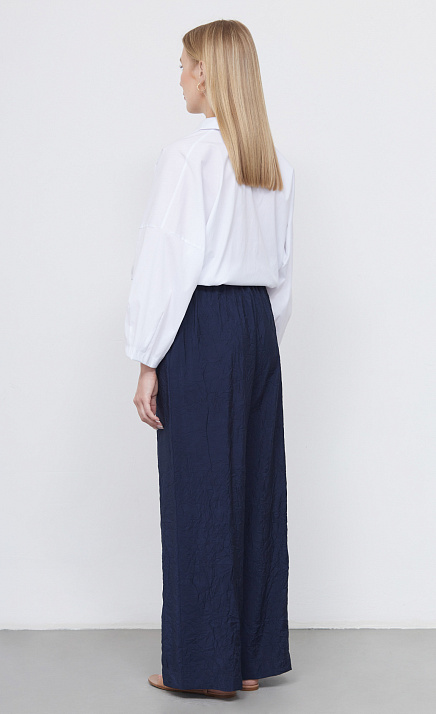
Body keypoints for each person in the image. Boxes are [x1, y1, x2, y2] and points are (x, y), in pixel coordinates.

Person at [124, 19, 295, 699]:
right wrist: (258, 342)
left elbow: (165, 262)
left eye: (185, 65)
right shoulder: (269, 162)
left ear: (207, 73)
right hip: (255, 327)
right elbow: (282, 270)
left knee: (198, 489)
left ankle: (202, 667)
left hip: (202, 325)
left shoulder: (188, 158)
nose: (181, 78)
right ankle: (247, 658)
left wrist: (147, 356)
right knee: (252, 485)